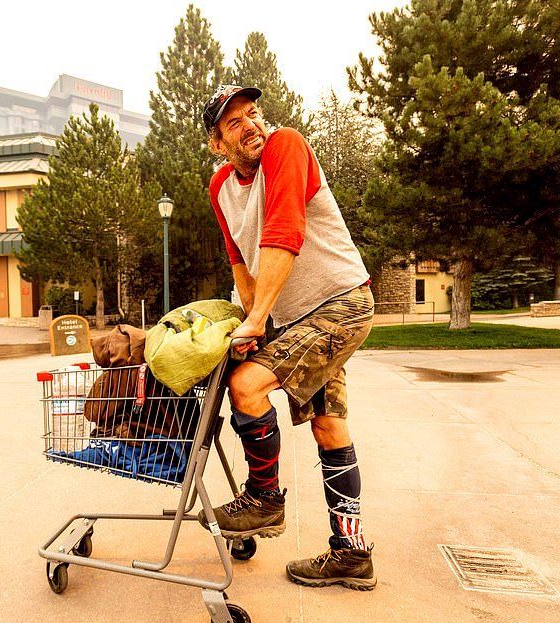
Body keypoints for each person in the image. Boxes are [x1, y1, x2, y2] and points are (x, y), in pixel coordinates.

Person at [198, 85, 377, 590]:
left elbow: (283, 234)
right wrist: (252, 317)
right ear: (217, 143)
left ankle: (264, 498)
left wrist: (257, 320)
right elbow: (241, 261)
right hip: (299, 319)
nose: (251, 125)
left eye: (253, 113)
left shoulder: (286, 145)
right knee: (329, 426)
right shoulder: (220, 187)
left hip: (341, 303)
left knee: (247, 386)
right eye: (234, 122)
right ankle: (351, 554)